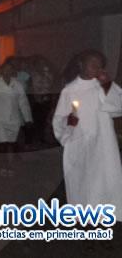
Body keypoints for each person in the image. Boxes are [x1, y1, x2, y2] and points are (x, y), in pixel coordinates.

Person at [52, 50, 122, 212]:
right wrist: (66, 135)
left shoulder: (101, 86)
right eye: (93, 64)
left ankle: (104, 212)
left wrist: (106, 85)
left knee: (103, 177)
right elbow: (59, 118)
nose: (97, 68)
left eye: (100, 66)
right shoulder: (69, 91)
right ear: (81, 65)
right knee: (82, 178)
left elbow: (117, 108)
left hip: (103, 142)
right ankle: (83, 213)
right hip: (79, 141)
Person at [0, 61, 33, 177]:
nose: (7, 71)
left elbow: (23, 102)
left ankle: (9, 165)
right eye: (5, 69)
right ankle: (3, 166)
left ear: (13, 71)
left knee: (11, 144)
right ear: (1, 70)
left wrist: (28, 118)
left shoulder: (17, 85)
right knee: (3, 143)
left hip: (13, 120)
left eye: (10, 69)